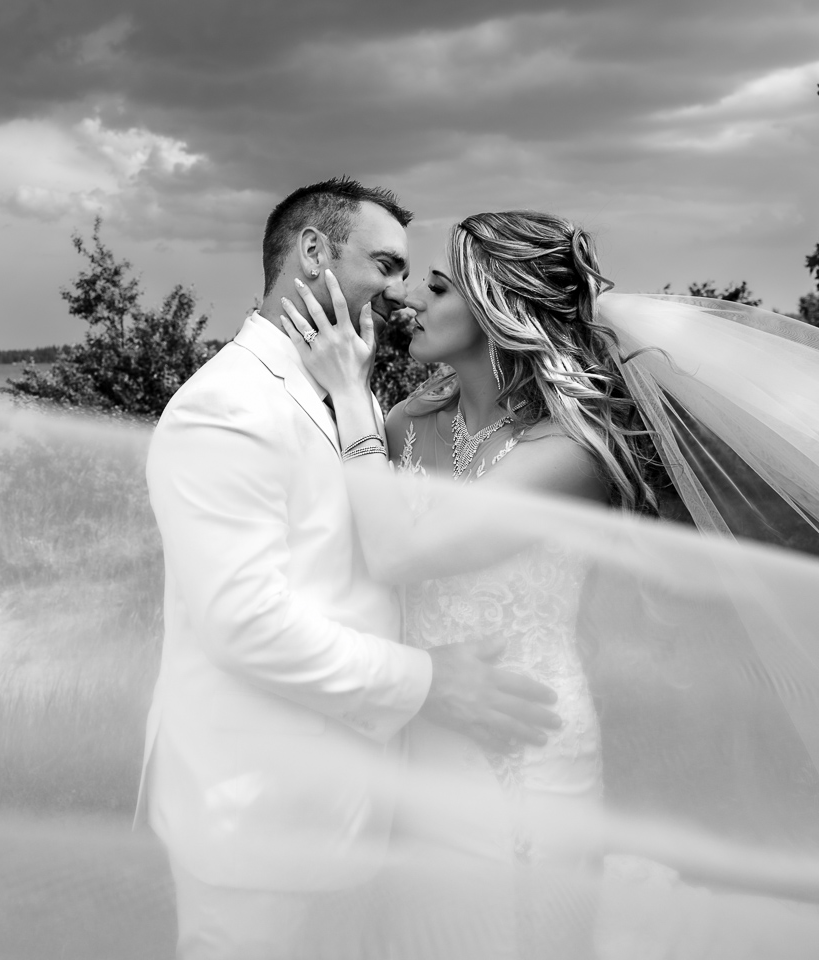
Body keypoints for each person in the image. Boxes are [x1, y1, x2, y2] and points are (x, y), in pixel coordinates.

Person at [137, 183, 562, 960]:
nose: (402, 292)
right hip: (261, 819)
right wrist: (429, 682)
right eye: (388, 264)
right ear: (312, 253)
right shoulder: (227, 407)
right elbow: (245, 623)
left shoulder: (340, 389)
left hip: (358, 808)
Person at [279, 210, 672, 957]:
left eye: (436, 286)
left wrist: (350, 393)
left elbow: (399, 552)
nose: (409, 303)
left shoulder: (569, 450)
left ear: (500, 309)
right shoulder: (406, 425)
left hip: (522, 748)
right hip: (419, 739)